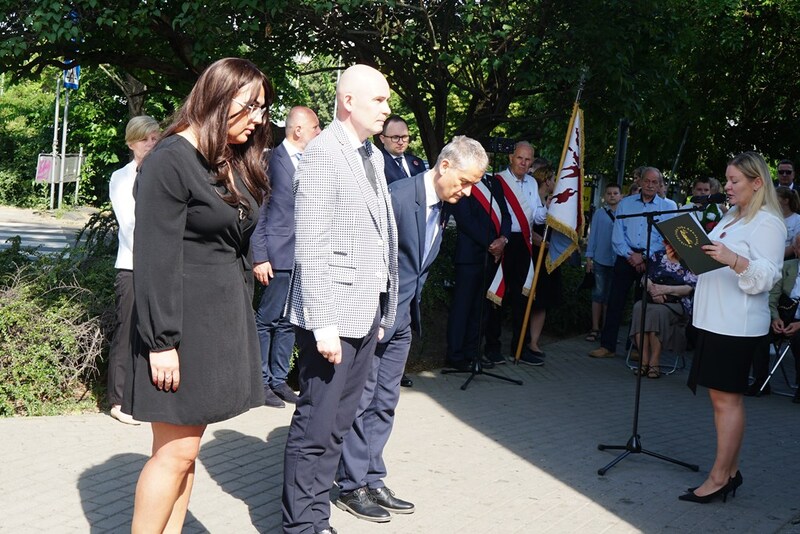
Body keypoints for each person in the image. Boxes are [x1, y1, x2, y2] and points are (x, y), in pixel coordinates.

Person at [124, 58, 271, 532]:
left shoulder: (219, 159)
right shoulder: (170, 160)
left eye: (263, 109)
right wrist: (161, 342)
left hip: (215, 323)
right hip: (180, 327)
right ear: (218, 99)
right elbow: (154, 258)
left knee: (187, 453)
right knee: (175, 453)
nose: (258, 120)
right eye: (251, 108)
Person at [336, 136, 487, 522]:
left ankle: (372, 476)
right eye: (466, 182)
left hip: (404, 317)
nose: (468, 192)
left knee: (385, 401)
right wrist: (380, 316)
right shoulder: (398, 197)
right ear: (445, 167)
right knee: (362, 399)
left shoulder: (447, 202)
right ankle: (350, 486)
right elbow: (369, 258)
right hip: (378, 316)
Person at [281, 64, 398, 534]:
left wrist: (384, 309)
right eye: (380, 100)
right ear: (348, 101)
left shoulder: (368, 155)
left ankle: (317, 518)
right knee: (315, 427)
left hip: (365, 314)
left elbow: (378, 236)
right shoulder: (324, 153)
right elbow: (311, 242)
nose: (388, 109)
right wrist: (324, 323)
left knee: (336, 428)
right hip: (332, 320)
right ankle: (299, 526)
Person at [677, 151, 784, 503]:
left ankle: (720, 477)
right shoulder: (732, 217)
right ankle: (731, 471)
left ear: (757, 183)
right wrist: (687, 253)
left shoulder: (768, 221)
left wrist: (733, 259)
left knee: (727, 401)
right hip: (714, 318)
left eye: (735, 181)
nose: (728, 186)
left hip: (736, 325)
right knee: (720, 399)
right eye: (727, 179)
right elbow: (711, 259)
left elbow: (768, 277)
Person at [252, 106, 320, 409]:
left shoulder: (313, 163)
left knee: (289, 323)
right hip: (277, 257)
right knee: (266, 319)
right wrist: (260, 257)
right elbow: (259, 212)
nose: (319, 133)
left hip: (304, 257)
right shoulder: (271, 162)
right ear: (298, 130)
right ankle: (261, 381)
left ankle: (279, 380)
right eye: (316, 127)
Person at [107, 115, 160, 426]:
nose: (151, 144)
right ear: (131, 143)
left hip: (158, 268)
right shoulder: (122, 178)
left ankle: (142, 398)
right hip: (132, 266)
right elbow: (129, 225)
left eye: (155, 138)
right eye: (145, 140)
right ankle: (118, 400)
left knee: (152, 334)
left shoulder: (162, 173)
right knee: (127, 334)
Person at [589, 167, 673, 358]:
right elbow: (618, 234)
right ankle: (607, 346)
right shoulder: (625, 204)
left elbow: (665, 239)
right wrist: (631, 255)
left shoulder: (667, 207)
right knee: (615, 302)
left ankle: (636, 347)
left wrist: (643, 256)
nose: (650, 185)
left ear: (660, 184)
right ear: (640, 182)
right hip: (625, 258)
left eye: (655, 182)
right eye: (647, 181)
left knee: (642, 305)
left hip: (651, 260)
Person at [446, 172, 511, 370]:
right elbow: (465, 219)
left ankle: (473, 353)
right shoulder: (462, 181)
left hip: (491, 256)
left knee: (480, 310)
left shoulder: (492, 182)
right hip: (470, 256)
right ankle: (455, 356)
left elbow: (506, 215)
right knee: (462, 308)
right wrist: (491, 243)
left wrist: (503, 239)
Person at [493, 141, 547, 365]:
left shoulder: (533, 183)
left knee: (521, 298)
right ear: (511, 158)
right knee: (497, 296)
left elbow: (537, 216)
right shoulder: (497, 180)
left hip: (524, 244)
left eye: (528, 160)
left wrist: (552, 207)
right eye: (520, 158)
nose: (523, 163)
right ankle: (492, 347)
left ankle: (519, 347)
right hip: (504, 241)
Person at [628, 250, 697, 378]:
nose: (668, 246)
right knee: (639, 307)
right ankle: (643, 361)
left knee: (658, 312)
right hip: (653, 297)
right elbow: (645, 278)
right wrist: (654, 291)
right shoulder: (658, 256)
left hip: (678, 302)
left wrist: (665, 290)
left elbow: (690, 288)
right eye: (666, 242)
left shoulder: (689, 260)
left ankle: (654, 362)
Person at [524, 164, 560, 358]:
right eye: (554, 178)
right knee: (528, 298)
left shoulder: (556, 202)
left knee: (543, 300)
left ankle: (534, 342)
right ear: (546, 180)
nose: (556, 182)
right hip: (531, 254)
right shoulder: (531, 197)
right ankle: (521, 340)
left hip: (548, 256)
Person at [585, 183, 622, 342]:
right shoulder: (599, 214)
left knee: (611, 297)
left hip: (617, 260)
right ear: (604, 196)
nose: (612, 196)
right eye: (609, 193)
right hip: (600, 259)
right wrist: (589, 258)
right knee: (598, 295)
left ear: (621, 195)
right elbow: (592, 236)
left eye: (615, 193)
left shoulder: (624, 213)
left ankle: (608, 330)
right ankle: (595, 327)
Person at [767, 233, 800, 404]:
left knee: (799, 339)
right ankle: (760, 380)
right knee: (758, 329)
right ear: (795, 249)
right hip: (785, 316)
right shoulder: (787, 267)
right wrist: (774, 318)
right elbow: (772, 297)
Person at [379, 115, 425, 184]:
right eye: (395, 137)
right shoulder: (378, 164)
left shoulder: (417, 162)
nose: (400, 142)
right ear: (382, 139)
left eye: (404, 137)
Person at [775, 186, 800, 259]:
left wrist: (776, 256)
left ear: (786, 201)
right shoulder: (772, 218)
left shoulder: (797, 219)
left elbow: (795, 245)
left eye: (775, 198)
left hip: (788, 260)